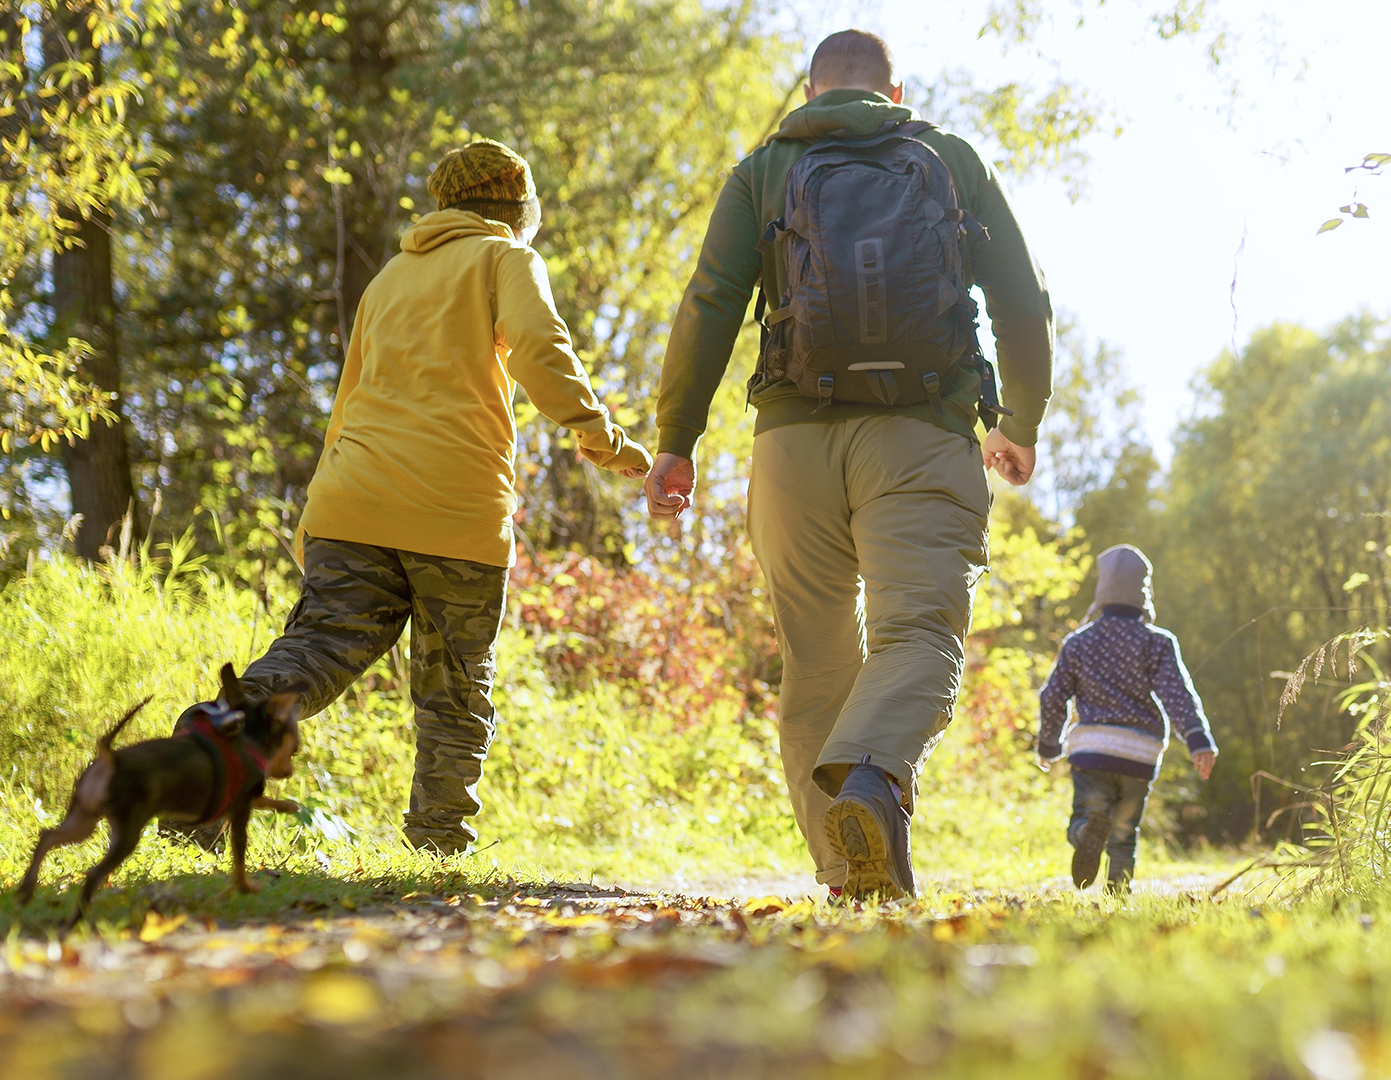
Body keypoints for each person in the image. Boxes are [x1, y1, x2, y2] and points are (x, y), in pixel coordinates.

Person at [646, 30, 1054, 899]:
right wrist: (1018, 418)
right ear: (895, 95)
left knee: (817, 662)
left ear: (809, 90)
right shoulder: (947, 158)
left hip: (791, 446)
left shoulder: (763, 170)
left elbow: (710, 303)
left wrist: (676, 440)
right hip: (921, 432)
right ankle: (869, 779)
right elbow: (1021, 296)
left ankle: (850, 871)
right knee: (917, 636)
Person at [221, 138, 651, 854]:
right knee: (454, 687)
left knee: (318, 650)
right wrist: (606, 441)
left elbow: (349, 397)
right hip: (453, 511)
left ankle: (215, 742)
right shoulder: (507, 258)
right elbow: (542, 352)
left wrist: (314, 524)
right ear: (517, 209)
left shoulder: (389, 278)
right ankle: (438, 845)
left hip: (349, 500)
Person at [1036, 545, 1218, 892]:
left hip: (1092, 750)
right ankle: (1118, 895)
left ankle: (1086, 832)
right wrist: (1198, 739)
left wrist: (1049, 744)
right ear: (1144, 592)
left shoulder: (1079, 643)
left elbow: (1053, 695)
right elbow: (1177, 694)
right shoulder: (1158, 642)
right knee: (1124, 831)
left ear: (1102, 590)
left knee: (1089, 814)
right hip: (1139, 752)